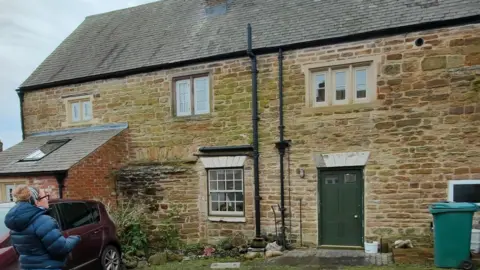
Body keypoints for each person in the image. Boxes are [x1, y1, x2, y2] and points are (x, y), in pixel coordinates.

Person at [4, 185, 80, 270]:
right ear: (36, 201)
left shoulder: (14, 224)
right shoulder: (44, 221)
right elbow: (61, 250)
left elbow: (17, 251)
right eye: (45, 196)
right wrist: (75, 238)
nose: (47, 199)